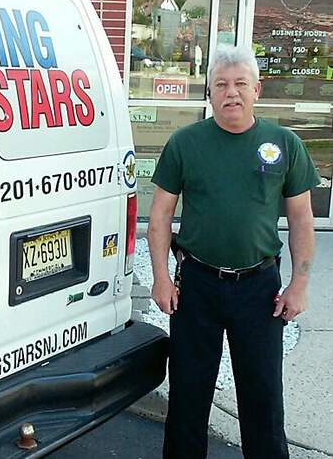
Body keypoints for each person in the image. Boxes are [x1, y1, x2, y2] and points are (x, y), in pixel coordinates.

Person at [147, 44, 320, 459]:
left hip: (259, 290)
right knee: (188, 396)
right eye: (221, 85)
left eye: (241, 83)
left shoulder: (284, 144)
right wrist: (160, 277)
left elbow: (301, 219)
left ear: (257, 89)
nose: (231, 93)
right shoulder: (185, 143)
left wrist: (298, 284)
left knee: (262, 399)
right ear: (209, 94)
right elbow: (160, 217)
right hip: (197, 289)